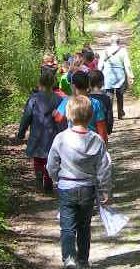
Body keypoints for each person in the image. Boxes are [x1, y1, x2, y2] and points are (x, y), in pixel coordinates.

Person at [47, 96, 112, 269]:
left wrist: (55, 178)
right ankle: (83, 260)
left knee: (67, 227)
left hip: (66, 187)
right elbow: (104, 167)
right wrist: (105, 189)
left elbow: (51, 163)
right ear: (90, 116)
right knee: (84, 226)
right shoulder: (97, 140)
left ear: (68, 115)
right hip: (87, 189)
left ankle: (69, 259)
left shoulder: (61, 138)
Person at [16, 69, 63, 193]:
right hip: (53, 135)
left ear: (39, 83)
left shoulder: (34, 99)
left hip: (37, 134)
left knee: (38, 158)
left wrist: (21, 133)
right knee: (50, 158)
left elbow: (26, 117)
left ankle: (38, 177)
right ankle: (48, 180)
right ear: (53, 83)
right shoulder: (58, 100)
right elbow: (62, 120)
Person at [54, 71, 109, 144]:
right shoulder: (96, 103)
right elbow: (101, 128)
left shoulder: (68, 101)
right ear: (88, 85)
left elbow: (58, 118)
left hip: (73, 142)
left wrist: (55, 113)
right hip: (92, 142)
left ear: (73, 86)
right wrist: (104, 145)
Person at [98, 34, 133, 120]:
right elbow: (127, 65)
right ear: (119, 41)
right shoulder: (123, 51)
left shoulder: (105, 51)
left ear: (111, 42)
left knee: (109, 96)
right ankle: (120, 112)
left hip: (108, 76)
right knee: (120, 95)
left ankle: (110, 115)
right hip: (120, 76)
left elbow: (100, 65)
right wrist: (130, 76)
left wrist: (99, 74)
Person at [87, 70, 114, 134]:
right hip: (102, 129)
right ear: (102, 82)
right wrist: (109, 129)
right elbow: (109, 116)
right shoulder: (106, 98)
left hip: (89, 129)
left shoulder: (87, 97)